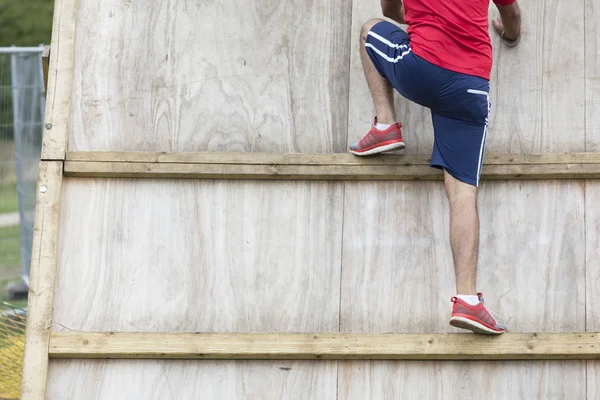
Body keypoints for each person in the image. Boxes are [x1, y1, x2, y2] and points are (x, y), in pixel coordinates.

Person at [350, 0, 522, 334]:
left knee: (369, 30)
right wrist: (511, 37)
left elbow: (389, 12)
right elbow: (512, 16)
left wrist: (419, 16)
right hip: (470, 86)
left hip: (423, 70)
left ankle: (385, 125)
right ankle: (468, 300)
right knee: (462, 193)